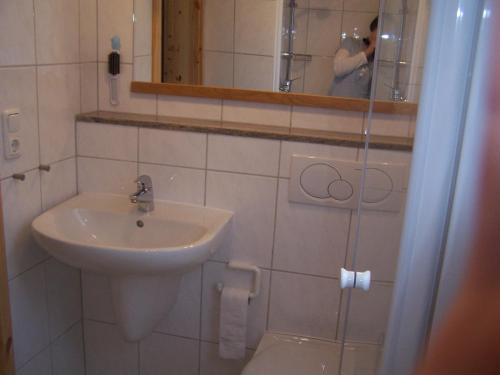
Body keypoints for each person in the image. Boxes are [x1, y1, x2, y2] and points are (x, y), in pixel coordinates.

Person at [329, 17, 378, 99]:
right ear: (373, 30)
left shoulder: (380, 59)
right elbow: (338, 68)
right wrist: (368, 52)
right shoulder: (351, 43)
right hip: (335, 107)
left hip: (358, 110)